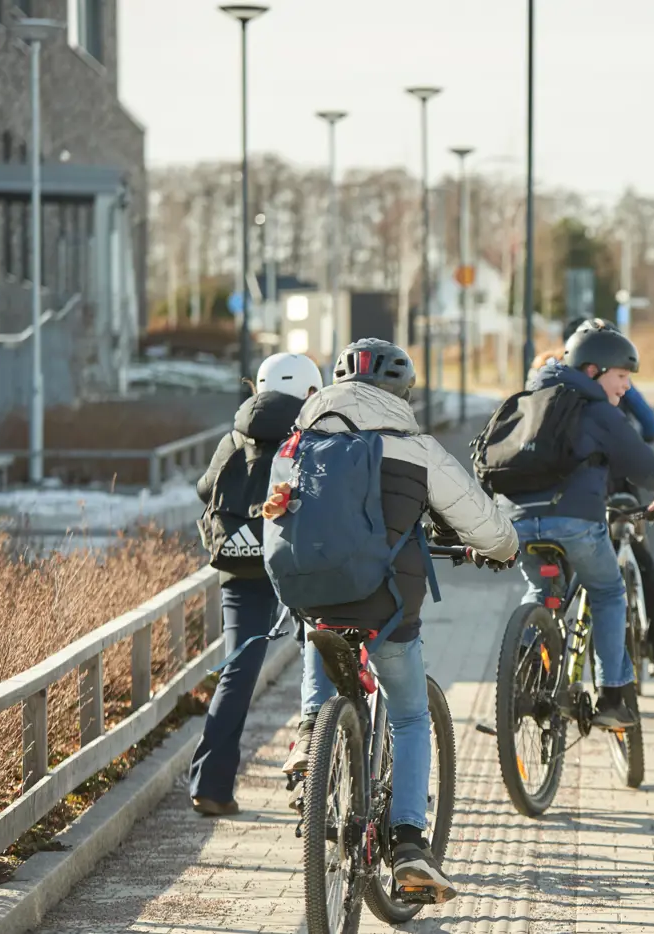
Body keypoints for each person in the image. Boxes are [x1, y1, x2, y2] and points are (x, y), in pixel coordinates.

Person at [282, 338, 519, 901]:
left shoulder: (301, 440)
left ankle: (313, 739)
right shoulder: (416, 447)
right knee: (412, 715)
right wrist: (504, 548)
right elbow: (482, 522)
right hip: (385, 605)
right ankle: (410, 844)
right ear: (401, 392)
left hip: (312, 596)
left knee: (320, 637)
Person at [501, 321, 654, 728]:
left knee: (539, 590)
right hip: (575, 524)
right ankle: (613, 695)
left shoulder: (531, 397)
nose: (625, 387)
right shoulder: (595, 410)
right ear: (592, 371)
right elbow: (641, 462)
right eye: (621, 377)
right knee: (606, 591)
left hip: (518, 522)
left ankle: (518, 681)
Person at [189, 353, 323, 816]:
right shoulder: (313, 436)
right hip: (296, 562)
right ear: (311, 392)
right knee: (321, 659)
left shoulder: (234, 436)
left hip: (239, 566)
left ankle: (211, 784)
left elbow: (206, 489)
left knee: (239, 669)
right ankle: (316, 780)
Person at [555, 319, 654, 678]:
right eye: (623, 375)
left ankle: (537, 660)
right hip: (614, 484)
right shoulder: (605, 403)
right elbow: (651, 430)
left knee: (550, 588)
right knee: (632, 567)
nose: (626, 384)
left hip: (543, 502)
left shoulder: (547, 386)